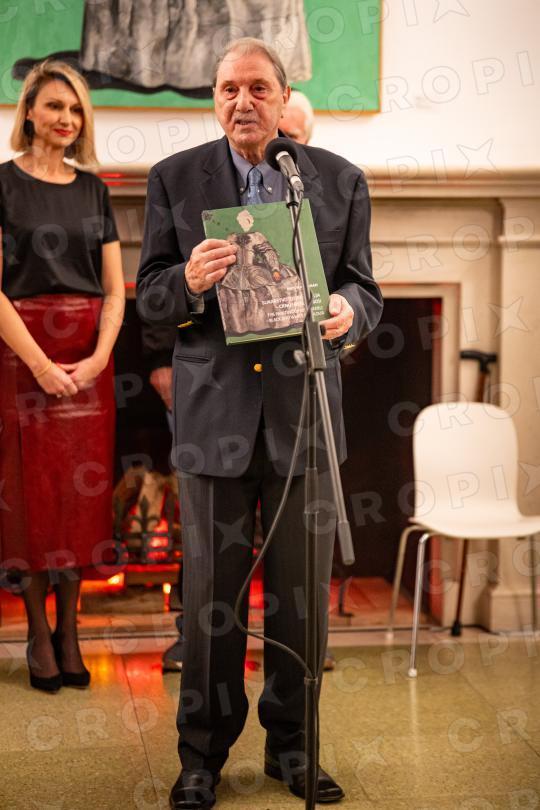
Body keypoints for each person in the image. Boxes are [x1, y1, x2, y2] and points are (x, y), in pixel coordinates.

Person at [137, 37, 383, 809]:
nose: (242, 101)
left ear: (282, 97)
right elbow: (150, 298)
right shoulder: (174, 179)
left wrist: (347, 311)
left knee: (300, 602)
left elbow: (364, 288)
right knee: (212, 604)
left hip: (302, 414)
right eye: (228, 89)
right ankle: (201, 759)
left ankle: (294, 749)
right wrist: (188, 280)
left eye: (257, 88)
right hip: (214, 418)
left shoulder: (337, 180)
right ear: (215, 100)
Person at [0, 60, 125, 693]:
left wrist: (98, 358)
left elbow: (115, 290)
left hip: (88, 361)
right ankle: (37, 633)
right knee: (31, 499)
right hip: (23, 357)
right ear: (28, 112)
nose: (66, 119)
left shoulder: (94, 190)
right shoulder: (2, 184)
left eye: (76, 109)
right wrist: (40, 365)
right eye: (54, 106)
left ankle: (71, 630)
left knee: (80, 502)